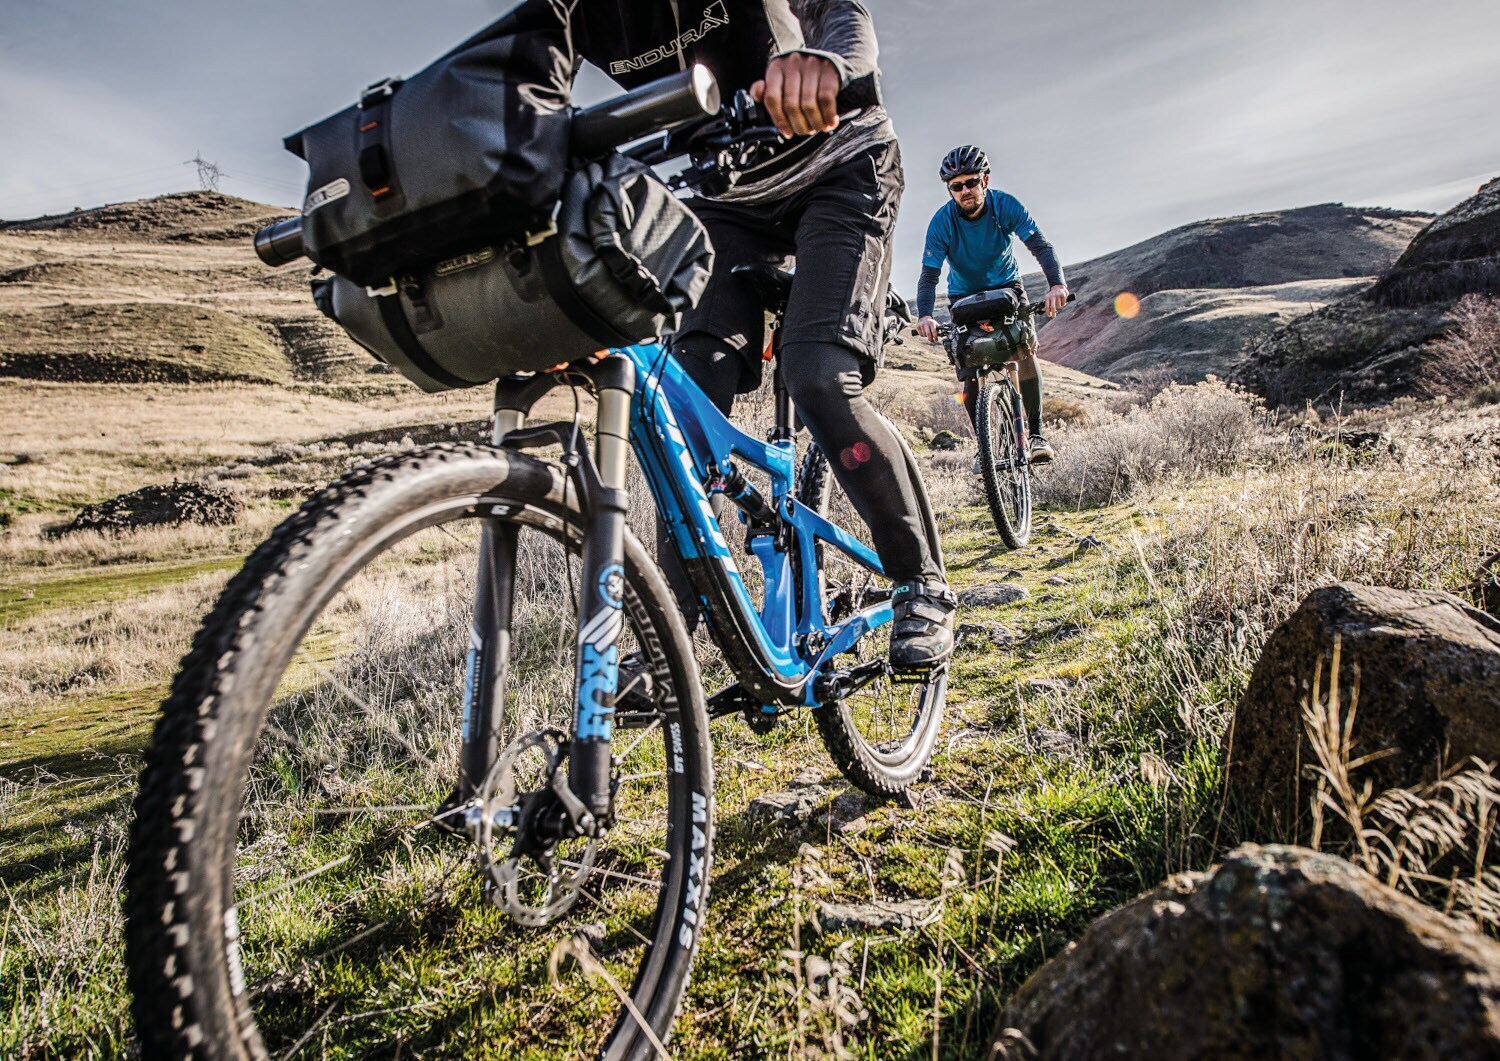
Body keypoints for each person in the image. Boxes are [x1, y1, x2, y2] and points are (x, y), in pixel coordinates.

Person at [491, 1, 956, 668]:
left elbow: (835, 8)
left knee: (818, 373)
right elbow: (518, 87)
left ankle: (921, 581)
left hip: (839, 165)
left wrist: (831, 61)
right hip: (721, 201)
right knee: (685, 404)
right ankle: (669, 644)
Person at [914, 145, 1069, 466]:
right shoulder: (941, 223)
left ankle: (1037, 435)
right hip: (964, 298)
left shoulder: (1005, 206)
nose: (965, 191)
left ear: (985, 179)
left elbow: (1039, 246)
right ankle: (984, 447)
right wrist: (925, 315)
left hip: (1007, 288)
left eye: (971, 183)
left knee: (1025, 351)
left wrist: (1057, 285)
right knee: (968, 368)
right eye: (956, 187)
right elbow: (929, 275)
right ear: (949, 190)